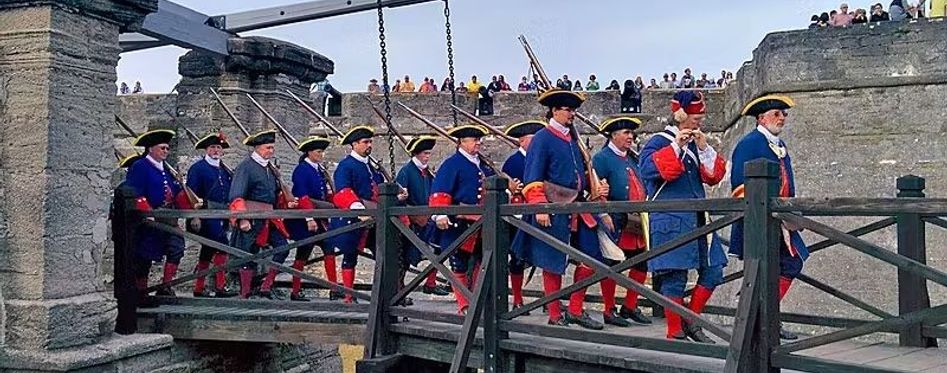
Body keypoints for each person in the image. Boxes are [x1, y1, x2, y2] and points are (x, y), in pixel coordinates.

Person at [511, 89, 610, 330]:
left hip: (575, 205)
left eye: (573, 110)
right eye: (567, 109)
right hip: (552, 206)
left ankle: (575, 309)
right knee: (551, 260)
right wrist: (540, 207)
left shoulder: (572, 140)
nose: (572, 114)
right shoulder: (543, 138)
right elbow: (533, 176)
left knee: (591, 256)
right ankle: (555, 314)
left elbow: (578, 175)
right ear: (554, 111)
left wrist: (597, 186)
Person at [639, 91, 727, 342]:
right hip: (670, 220)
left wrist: (704, 148)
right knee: (674, 278)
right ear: (681, 114)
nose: (700, 118)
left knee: (714, 270)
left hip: (698, 218)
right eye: (695, 114)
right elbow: (649, 171)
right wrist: (676, 146)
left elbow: (713, 176)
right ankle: (674, 331)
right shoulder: (659, 141)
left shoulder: (696, 144)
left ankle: (691, 319)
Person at [730, 95, 808, 340]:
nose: (782, 118)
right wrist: (763, 209)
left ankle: (763, 316)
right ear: (761, 118)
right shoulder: (750, 143)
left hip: (780, 217)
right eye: (777, 113)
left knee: (790, 264)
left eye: (784, 114)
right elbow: (739, 184)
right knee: (767, 269)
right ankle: (760, 318)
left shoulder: (779, 144)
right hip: (760, 218)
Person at [327, 126, 400, 303]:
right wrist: (358, 209)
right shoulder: (346, 166)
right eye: (365, 142)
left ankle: (386, 295)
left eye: (370, 142)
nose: (369, 145)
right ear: (355, 144)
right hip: (353, 218)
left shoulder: (371, 167)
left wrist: (396, 194)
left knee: (383, 255)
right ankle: (349, 295)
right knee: (350, 256)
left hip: (374, 218)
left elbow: (377, 189)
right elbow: (343, 191)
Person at [592, 116, 653, 327]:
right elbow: (595, 187)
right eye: (626, 133)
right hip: (615, 219)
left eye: (631, 133)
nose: (631, 137)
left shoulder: (632, 159)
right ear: (614, 135)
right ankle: (609, 309)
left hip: (636, 219)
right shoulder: (601, 159)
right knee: (611, 264)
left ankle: (630, 305)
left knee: (641, 263)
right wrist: (603, 214)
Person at [429, 125, 496, 314]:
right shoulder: (452, 164)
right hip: (458, 223)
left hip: (480, 223)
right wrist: (440, 213)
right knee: (459, 263)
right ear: (462, 142)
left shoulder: (482, 166)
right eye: (474, 140)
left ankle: (474, 299)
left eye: (479, 139)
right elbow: (440, 190)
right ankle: (464, 304)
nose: (478, 143)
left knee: (477, 262)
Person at [228, 130, 297, 299]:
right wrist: (242, 218)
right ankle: (245, 293)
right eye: (268, 148)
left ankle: (266, 285)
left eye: (272, 148)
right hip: (251, 216)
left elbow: (274, 193)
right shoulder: (246, 167)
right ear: (258, 148)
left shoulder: (270, 169)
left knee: (282, 248)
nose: (271, 151)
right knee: (247, 254)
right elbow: (236, 195)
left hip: (269, 217)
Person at [125, 129, 193, 298]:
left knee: (176, 248)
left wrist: (185, 196)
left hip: (168, 218)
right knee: (144, 256)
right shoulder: (140, 166)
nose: (165, 151)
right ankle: (141, 292)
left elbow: (172, 191)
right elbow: (134, 192)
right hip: (148, 219)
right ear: (151, 149)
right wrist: (147, 212)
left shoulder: (165, 169)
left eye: (167, 149)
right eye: (162, 148)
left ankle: (166, 286)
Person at [396, 136, 451, 296]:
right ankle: (399, 291)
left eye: (429, 153)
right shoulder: (406, 171)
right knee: (404, 258)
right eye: (425, 153)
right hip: (410, 223)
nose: (427, 156)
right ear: (417, 154)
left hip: (429, 220)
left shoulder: (428, 173)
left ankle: (431, 283)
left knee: (439, 249)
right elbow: (398, 198)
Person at [186, 131, 237, 298]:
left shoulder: (224, 170)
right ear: (206, 150)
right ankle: (214, 286)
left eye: (218, 147)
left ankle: (203, 287)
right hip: (206, 215)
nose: (216, 150)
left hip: (222, 215)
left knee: (212, 249)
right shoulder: (198, 169)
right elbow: (191, 194)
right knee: (218, 244)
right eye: (213, 147)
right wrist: (195, 216)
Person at [502, 119, 546, 311]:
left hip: (539, 213)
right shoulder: (513, 162)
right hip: (518, 217)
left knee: (546, 257)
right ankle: (517, 299)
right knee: (517, 259)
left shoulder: (542, 159)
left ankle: (549, 301)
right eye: (533, 139)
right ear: (522, 141)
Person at [287, 136, 335, 301]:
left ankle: (333, 288)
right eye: (318, 151)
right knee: (302, 254)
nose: (321, 154)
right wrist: (309, 218)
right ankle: (295, 290)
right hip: (305, 220)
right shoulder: (302, 170)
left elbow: (325, 194)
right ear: (309, 152)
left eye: (322, 151)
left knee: (329, 249)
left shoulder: (319, 170)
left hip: (321, 218)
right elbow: (302, 196)